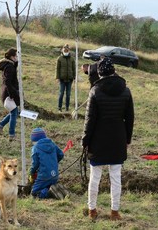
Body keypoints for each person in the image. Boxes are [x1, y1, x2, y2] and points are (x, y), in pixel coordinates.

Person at [81, 57, 134, 221]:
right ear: (114, 71)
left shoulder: (95, 91)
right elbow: (130, 118)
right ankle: (115, 212)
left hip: (98, 139)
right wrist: (127, 139)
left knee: (94, 178)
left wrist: (85, 140)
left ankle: (92, 209)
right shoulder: (126, 91)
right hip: (118, 138)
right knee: (116, 177)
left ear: (100, 73)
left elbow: (89, 119)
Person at [28, 128, 65, 199]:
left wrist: (31, 172)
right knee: (47, 185)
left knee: (34, 194)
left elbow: (35, 164)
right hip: (55, 175)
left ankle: (49, 193)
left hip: (43, 176)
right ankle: (53, 189)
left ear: (34, 140)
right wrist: (53, 162)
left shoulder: (35, 148)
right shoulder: (52, 144)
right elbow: (61, 154)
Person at [0, 48, 20, 142]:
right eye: (16, 56)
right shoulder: (9, 67)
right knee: (14, 113)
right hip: (8, 94)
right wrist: (13, 93)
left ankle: (0, 126)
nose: (17, 58)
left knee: (14, 112)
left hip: (9, 92)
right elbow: (7, 82)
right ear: (12, 57)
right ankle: (11, 134)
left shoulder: (11, 65)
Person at [56, 44, 75, 112]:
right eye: (64, 50)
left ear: (69, 50)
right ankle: (59, 108)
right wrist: (57, 77)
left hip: (70, 79)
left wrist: (74, 77)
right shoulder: (59, 58)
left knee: (68, 94)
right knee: (61, 94)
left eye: (67, 50)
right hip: (62, 79)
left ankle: (67, 108)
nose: (65, 51)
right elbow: (57, 69)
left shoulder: (72, 59)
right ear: (62, 50)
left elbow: (74, 69)